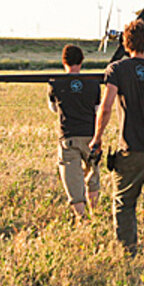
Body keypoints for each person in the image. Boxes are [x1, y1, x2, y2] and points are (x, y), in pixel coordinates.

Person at [91, 20, 144, 263]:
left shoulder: (116, 70)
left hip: (131, 149)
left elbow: (106, 107)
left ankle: (128, 255)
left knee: (124, 203)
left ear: (126, 45)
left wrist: (97, 139)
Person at [48, 44, 101, 219]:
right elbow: (97, 109)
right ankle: (94, 212)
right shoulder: (93, 82)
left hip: (68, 136)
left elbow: (53, 108)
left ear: (63, 61)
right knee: (92, 174)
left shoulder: (55, 82)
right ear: (81, 61)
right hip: (90, 135)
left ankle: (81, 217)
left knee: (72, 178)